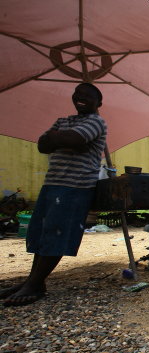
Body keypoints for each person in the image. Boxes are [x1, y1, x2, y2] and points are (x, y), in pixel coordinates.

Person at [1, 83, 107, 307]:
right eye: (77, 94)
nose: (80, 97)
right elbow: (42, 145)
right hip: (52, 183)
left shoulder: (96, 121)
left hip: (75, 186)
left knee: (57, 233)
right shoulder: (64, 121)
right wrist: (62, 138)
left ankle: (35, 284)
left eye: (87, 95)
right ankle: (33, 281)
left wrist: (58, 138)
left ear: (99, 103)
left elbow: (74, 140)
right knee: (42, 233)